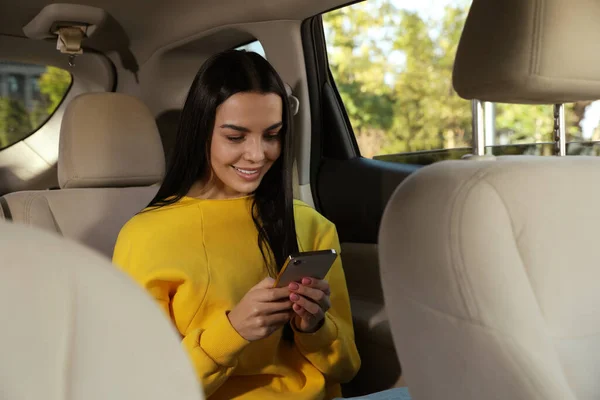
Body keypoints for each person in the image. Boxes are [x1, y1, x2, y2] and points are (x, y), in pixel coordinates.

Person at [112, 50, 411, 400]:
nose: (258, 154)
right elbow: (147, 389)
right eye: (235, 137)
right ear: (200, 133)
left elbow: (346, 368)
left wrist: (313, 327)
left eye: (272, 135)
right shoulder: (146, 236)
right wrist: (232, 332)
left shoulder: (311, 224)